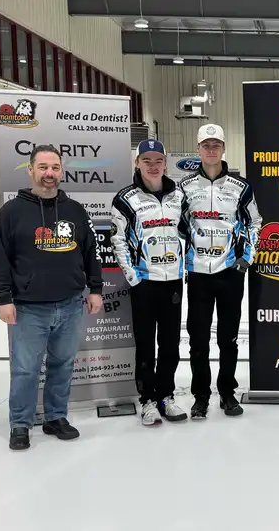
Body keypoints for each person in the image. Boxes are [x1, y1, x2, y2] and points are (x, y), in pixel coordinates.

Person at [0, 144, 103, 451]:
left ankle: (56, 417)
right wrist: (3, 298)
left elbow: (90, 252)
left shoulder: (75, 210)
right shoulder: (12, 212)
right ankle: (20, 424)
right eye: (43, 167)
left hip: (70, 304)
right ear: (31, 170)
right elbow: (0, 257)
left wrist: (95, 289)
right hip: (29, 308)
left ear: (61, 171)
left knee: (62, 364)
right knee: (26, 369)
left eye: (54, 167)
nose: (49, 173)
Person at [179, 124, 262, 419]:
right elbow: (177, 226)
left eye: (216, 145)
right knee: (198, 340)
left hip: (230, 272)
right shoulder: (184, 188)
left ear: (224, 149)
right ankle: (200, 396)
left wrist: (246, 258)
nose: (211, 150)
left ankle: (227, 392)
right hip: (198, 273)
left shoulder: (241, 187)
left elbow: (255, 222)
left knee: (228, 338)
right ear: (198, 149)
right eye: (206, 145)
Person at [110, 139, 188, 425]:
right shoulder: (125, 198)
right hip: (144, 283)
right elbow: (118, 240)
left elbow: (189, 231)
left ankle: (166, 396)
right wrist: (133, 277)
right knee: (145, 345)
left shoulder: (179, 196)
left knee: (170, 344)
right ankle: (147, 401)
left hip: (173, 282)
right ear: (137, 163)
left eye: (158, 161)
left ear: (165, 164)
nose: (153, 166)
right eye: (147, 161)